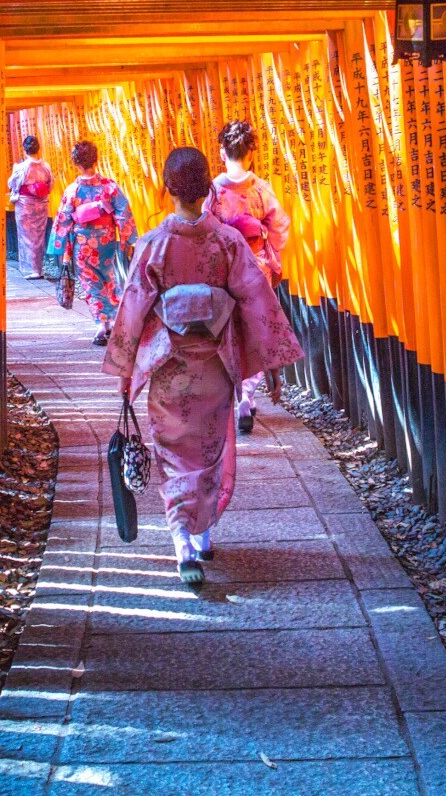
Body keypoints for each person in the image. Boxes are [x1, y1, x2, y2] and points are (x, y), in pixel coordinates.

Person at [103, 146, 304, 585]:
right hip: (214, 364)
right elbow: (255, 301)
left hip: (168, 368)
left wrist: (124, 373)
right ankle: (204, 535)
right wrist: (270, 364)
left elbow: (133, 312)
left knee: (173, 450)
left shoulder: (153, 244)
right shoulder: (228, 242)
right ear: (205, 188)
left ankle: (181, 541)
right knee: (210, 450)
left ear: (168, 187)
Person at [202, 121, 293, 434]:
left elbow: (204, 230)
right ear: (251, 153)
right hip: (256, 268)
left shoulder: (213, 191)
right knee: (255, 330)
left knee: (229, 330)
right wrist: (273, 258)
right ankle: (247, 396)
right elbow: (279, 227)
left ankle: (235, 393)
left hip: (224, 270)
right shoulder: (261, 189)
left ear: (222, 152)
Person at [53, 139, 138, 345]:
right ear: (96, 160)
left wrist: (59, 245)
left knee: (91, 283)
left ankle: (101, 324)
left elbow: (63, 219)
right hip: (107, 241)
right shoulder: (109, 187)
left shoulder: (73, 190)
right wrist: (127, 240)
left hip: (83, 244)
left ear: (76, 163)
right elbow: (123, 214)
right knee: (109, 279)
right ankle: (110, 320)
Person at [6, 135, 54, 280]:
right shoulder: (45, 167)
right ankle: (38, 267)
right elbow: (50, 185)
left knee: (27, 236)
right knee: (38, 237)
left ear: (24, 149)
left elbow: (12, 184)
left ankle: (31, 269)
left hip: (25, 205)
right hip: (41, 204)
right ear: (38, 148)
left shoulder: (22, 167)